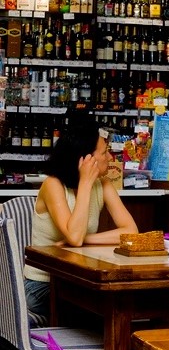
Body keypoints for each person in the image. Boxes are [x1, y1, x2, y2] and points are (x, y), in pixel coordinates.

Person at [24, 124, 138, 327]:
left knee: (120, 302)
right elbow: (74, 238)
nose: (110, 157)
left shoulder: (103, 185)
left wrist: (87, 238)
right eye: (104, 152)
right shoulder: (53, 185)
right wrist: (85, 182)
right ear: (86, 159)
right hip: (41, 285)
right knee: (103, 308)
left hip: (76, 280)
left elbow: (131, 232)